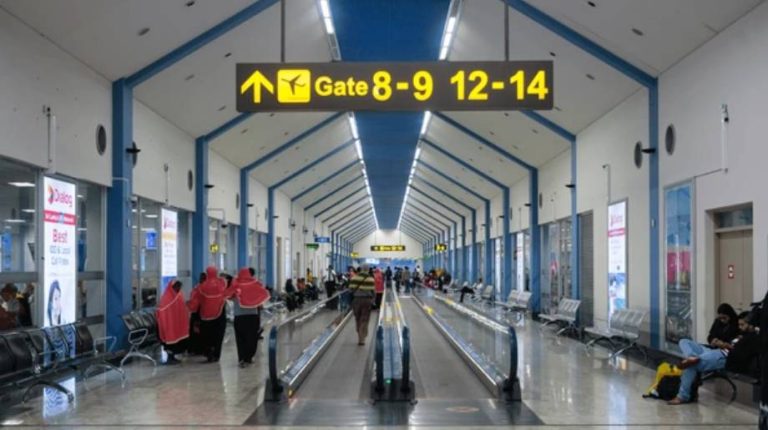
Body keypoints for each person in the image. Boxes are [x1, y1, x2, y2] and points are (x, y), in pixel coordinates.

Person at [669, 311, 760, 405]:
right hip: (716, 351)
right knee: (684, 341)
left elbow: (740, 355)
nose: (740, 327)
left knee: (691, 366)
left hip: (723, 357)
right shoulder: (741, 334)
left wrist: (728, 347)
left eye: (742, 325)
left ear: (751, 325)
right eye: (739, 325)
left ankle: (682, 396)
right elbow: (714, 337)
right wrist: (721, 343)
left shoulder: (753, 338)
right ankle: (692, 356)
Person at [188, 266, 235, 363]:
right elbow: (231, 284)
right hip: (219, 314)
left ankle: (208, 353)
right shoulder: (221, 283)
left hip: (205, 316)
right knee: (218, 335)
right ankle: (216, 355)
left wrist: (189, 307)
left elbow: (196, 301)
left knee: (207, 336)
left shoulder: (201, 287)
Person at [232, 267, 270, 367]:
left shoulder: (235, 285)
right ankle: (248, 357)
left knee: (240, 339)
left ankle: (242, 358)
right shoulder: (255, 284)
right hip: (252, 316)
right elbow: (261, 296)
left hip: (239, 317)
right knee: (252, 338)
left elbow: (229, 296)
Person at [156, 279, 189, 365]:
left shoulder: (179, 295)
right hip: (168, 324)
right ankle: (170, 357)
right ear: (172, 287)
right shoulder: (166, 297)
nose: (178, 289)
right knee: (169, 342)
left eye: (179, 287)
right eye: (177, 287)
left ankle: (173, 356)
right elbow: (162, 311)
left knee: (177, 342)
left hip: (176, 323)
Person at [349, 265, 376, 345]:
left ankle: (359, 334)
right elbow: (373, 292)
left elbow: (350, 290)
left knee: (357, 318)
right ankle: (362, 338)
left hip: (356, 300)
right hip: (367, 301)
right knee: (364, 319)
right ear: (368, 270)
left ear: (360, 269)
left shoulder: (354, 278)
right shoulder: (371, 279)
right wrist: (373, 301)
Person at [187, 272, 206, 356]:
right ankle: (198, 349)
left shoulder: (196, 287)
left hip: (196, 312)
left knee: (196, 331)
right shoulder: (202, 288)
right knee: (198, 331)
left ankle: (194, 349)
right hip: (200, 312)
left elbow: (193, 299)